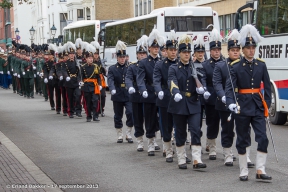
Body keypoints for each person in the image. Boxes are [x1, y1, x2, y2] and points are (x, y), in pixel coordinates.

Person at [226, 24, 272, 181]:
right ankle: (244, 169)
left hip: (258, 106)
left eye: (253, 47)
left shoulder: (261, 65)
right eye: (248, 47)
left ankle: (260, 170)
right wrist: (231, 103)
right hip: (242, 106)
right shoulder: (236, 66)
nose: (251, 50)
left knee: (262, 137)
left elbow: (267, 86)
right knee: (242, 139)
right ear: (242, 49)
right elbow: (230, 88)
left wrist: (267, 104)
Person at [168, 34, 206, 169]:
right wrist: (176, 92)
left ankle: (197, 159)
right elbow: (172, 82)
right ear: (179, 53)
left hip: (194, 102)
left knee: (196, 129)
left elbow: (202, 80)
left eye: (188, 52)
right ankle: (181, 158)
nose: (186, 54)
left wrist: (203, 89)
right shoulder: (173, 68)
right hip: (179, 103)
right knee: (180, 132)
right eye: (184, 52)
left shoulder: (195, 67)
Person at [137, 29, 164, 156]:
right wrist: (142, 90)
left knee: (163, 119)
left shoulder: (162, 61)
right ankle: (151, 142)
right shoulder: (143, 63)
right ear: (149, 48)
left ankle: (164, 142)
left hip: (161, 93)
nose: (156, 49)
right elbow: (140, 79)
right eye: (153, 47)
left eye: (157, 46)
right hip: (149, 92)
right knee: (150, 119)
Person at [153, 30, 177, 163]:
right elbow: (156, 79)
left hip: (178, 100)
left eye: (175, 49)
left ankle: (181, 152)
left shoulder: (181, 63)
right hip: (165, 98)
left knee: (179, 126)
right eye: (171, 49)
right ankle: (168, 151)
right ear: (166, 50)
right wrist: (158, 90)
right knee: (166, 126)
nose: (173, 52)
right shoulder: (160, 64)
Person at [201, 29, 222, 160]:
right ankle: (212, 146)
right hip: (211, 98)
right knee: (212, 123)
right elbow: (203, 79)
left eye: (218, 50)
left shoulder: (225, 62)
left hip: (223, 98)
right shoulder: (205, 65)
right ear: (210, 51)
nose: (216, 52)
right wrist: (204, 89)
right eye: (214, 50)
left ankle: (227, 148)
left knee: (226, 124)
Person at [108, 40, 133, 143]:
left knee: (130, 112)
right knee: (118, 115)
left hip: (128, 93)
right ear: (117, 58)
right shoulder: (112, 68)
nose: (122, 59)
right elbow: (110, 79)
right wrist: (112, 88)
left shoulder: (129, 67)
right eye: (120, 57)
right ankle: (119, 134)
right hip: (117, 93)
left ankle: (128, 133)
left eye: (124, 57)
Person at [125, 35, 148, 151]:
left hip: (148, 96)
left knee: (150, 119)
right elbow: (128, 78)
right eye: (140, 53)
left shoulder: (150, 65)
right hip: (137, 96)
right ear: (137, 55)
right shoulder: (132, 67)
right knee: (138, 119)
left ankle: (151, 140)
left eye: (144, 53)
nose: (142, 55)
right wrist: (130, 87)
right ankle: (139, 141)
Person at [80, 44, 101, 122]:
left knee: (95, 101)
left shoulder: (95, 66)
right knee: (88, 102)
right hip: (86, 86)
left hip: (94, 86)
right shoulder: (83, 67)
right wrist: (80, 82)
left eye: (92, 58)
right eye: (89, 58)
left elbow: (98, 76)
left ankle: (95, 116)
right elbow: (81, 76)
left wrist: (99, 84)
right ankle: (88, 116)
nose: (91, 59)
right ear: (86, 59)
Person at [62, 42, 82, 118]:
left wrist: (80, 80)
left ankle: (78, 111)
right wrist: (66, 76)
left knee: (78, 96)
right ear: (68, 55)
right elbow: (63, 71)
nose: (71, 55)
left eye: (73, 54)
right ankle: (71, 112)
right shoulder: (65, 63)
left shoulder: (77, 63)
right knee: (70, 98)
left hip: (76, 81)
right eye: (70, 54)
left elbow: (79, 72)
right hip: (69, 82)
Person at [91, 41, 107, 117]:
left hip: (101, 80)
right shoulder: (91, 62)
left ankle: (102, 109)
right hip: (94, 80)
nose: (96, 56)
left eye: (97, 54)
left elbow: (105, 72)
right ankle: (94, 110)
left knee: (103, 96)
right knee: (95, 97)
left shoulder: (101, 62)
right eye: (95, 54)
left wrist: (104, 70)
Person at [43, 44, 59, 110]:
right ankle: (52, 105)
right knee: (51, 93)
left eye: (50, 55)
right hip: (50, 79)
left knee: (57, 93)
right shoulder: (46, 63)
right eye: (48, 55)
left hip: (56, 79)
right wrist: (46, 77)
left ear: (53, 55)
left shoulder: (57, 62)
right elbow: (46, 71)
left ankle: (58, 106)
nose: (48, 56)